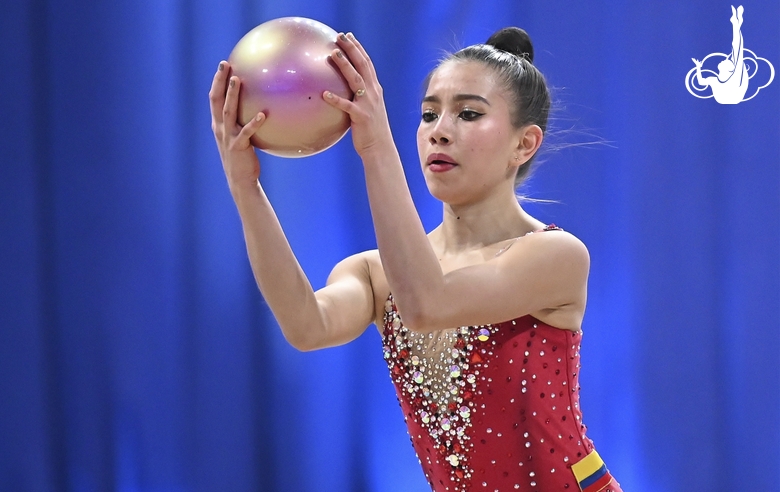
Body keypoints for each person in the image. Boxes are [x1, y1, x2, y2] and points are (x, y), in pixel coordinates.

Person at [210, 26, 621, 492]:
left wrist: (374, 146)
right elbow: (307, 325)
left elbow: (427, 303)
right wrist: (246, 187)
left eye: (468, 114)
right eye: (428, 114)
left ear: (524, 144)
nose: (440, 132)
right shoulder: (375, 273)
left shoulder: (555, 256)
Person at [692, 5, 748, 104]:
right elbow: (701, 82)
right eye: (727, 60)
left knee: (737, 51)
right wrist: (698, 67)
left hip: (733, 96)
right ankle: (736, 23)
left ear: (729, 69)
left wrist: (736, 25)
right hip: (727, 97)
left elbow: (737, 49)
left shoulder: (734, 77)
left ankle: (736, 23)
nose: (724, 59)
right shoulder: (714, 80)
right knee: (737, 51)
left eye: (727, 61)